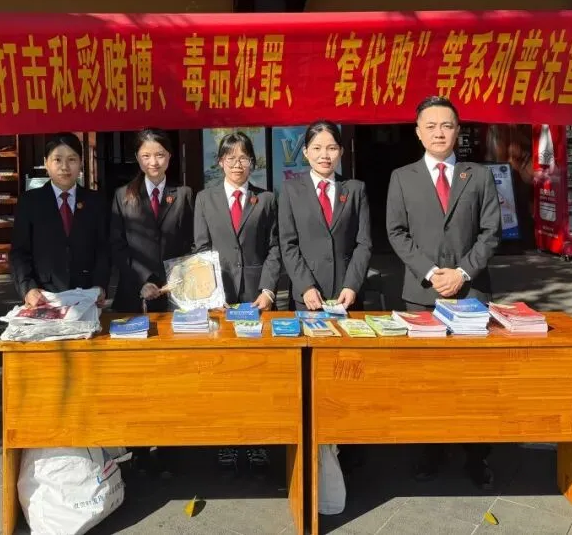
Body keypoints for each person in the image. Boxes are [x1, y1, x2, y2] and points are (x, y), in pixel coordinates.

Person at [385, 95, 502, 490]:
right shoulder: (402, 177)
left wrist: (463, 272)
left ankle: (477, 454)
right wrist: (432, 273)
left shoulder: (478, 176)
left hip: (471, 293)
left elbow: (491, 232)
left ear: (457, 131)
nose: (439, 133)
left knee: (473, 380)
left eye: (446, 125)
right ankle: (430, 449)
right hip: (422, 294)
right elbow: (396, 232)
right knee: (427, 378)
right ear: (418, 133)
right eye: (431, 126)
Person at [194, 131, 281, 475]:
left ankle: (258, 438)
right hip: (221, 301)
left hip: (257, 299)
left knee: (258, 372)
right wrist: (212, 295)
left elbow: (275, 248)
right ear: (220, 162)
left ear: (252, 163)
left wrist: (269, 291)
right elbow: (201, 249)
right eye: (230, 158)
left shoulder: (267, 199)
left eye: (244, 158)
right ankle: (227, 438)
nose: (237, 164)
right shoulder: (205, 199)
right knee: (224, 372)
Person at [109, 128, 195, 478]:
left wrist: (179, 278)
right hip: (135, 297)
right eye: (146, 156)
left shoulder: (184, 194)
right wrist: (142, 280)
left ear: (169, 157)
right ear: (138, 158)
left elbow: (193, 243)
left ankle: (172, 446)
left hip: (175, 298)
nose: (153, 162)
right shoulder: (122, 196)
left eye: (159, 154)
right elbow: (117, 245)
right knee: (137, 377)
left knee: (172, 375)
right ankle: (140, 448)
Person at [278, 120, 373, 312]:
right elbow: (288, 244)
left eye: (332, 148)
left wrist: (352, 285)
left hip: (347, 294)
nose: (324, 155)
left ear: (341, 151)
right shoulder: (290, 190)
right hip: (307, 296)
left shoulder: (355, 189)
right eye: (317, 148)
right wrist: (306, 286)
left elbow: (363, 243)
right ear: (305, 152)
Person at [9, 133, 109, 305]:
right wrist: (28, 289)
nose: (65, 167)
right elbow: (19, 252)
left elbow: (104, 249)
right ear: (46, 163)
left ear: (81, 163)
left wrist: (100, 286)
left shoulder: (96, 201)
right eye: (57, 160)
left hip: (87, 294)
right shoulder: (29, 202)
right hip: (44, 295)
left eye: (72, 159)